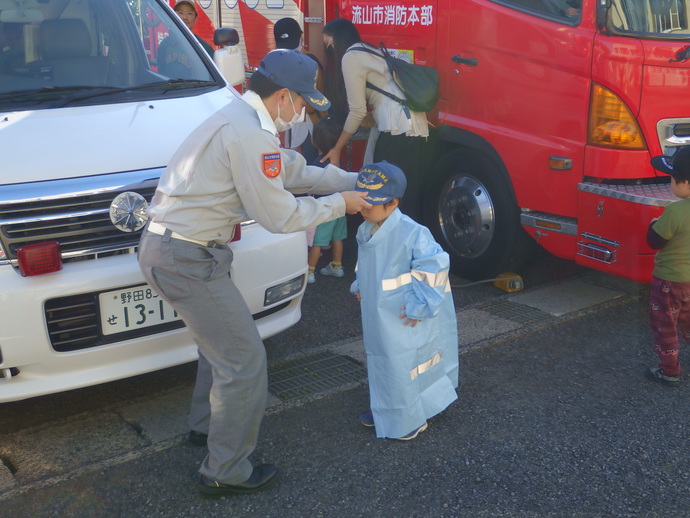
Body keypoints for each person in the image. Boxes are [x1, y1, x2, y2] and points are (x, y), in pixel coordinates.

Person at [138, 49, 371, 497]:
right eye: (301, 103)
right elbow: (279, 216)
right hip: (185, 257)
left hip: (175, 251)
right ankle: (226, 470)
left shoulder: (241, 119)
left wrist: (350, 179)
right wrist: (344, 204)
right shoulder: (250, 136)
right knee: (243, 360)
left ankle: (206, 431)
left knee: (220, 347)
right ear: (283, 96)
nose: (302, 113)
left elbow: (293, 170)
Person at [350, 161, 459, 440]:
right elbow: (366, 265)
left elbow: (435, 266)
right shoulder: (367, 229)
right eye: (361, 202)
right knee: (382, 360)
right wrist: (360, 285)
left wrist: (418, 305)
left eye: (370, 204)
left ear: (392, 203)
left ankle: (410, 419)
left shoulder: (412, 232)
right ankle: (387, 409)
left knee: (402, 364)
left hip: (404, 313)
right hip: (379, 312)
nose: (363, 209)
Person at [321, 18, 429, 221]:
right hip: (414, 124)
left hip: (396, 128)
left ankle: (386, 243)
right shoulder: (369, 49)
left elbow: (357, 111)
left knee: (384, 193)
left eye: (330, 45)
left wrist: (336, 149)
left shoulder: (350, 57)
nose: (330, 51)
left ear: (338, 39)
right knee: (407, 194)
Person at [646, 146, 690, 387]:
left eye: (672, 179)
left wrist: (654, 224)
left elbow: (654, 241)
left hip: (669, 282)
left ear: (685, 183)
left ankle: (669, 371)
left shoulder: (674, 211)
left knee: (665, 326)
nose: (671, 184)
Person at [273, 17, 325, 163]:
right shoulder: (276, 61)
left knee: (305, 168)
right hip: (285, 126)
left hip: (307, 125)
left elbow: (311, 102)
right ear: (301, 36)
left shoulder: (309, 62)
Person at [307, 117, 347, 283]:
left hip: (325, 209)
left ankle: (309, 272)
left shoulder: (317, 164)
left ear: (314, 141)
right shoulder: (337, 161)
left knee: (317, 242)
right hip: (341, 207)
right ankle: (336, 266)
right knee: (337, 238)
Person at [157, 0, 213, 78]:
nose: (185, 17)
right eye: (180, 13)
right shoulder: (164, 45)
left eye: (189, 13)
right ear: (173, 17)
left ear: (196, 18)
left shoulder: (205, 49)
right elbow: (162, 75)